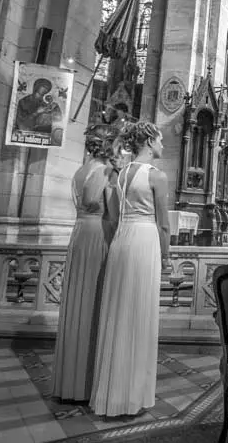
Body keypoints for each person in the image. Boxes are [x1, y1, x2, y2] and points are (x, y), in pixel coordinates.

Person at [89, 122, 170, 417]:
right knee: (139, 313)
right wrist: (167, 256)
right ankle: (134, 396)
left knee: (119, 312)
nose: (163, 144)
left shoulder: (119, 174)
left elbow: (109, 218)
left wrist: (115, 244)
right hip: (146, 241)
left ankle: (111, 394)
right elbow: (162, 223)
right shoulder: (156, 176)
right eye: (160, 139)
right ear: (149, 141)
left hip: (122, 241)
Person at [52, 125, 116, 403]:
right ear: (106, 146)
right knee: (92, 304)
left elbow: (83, 201)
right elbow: (96, 202)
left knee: (77, 303)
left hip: (79, 234)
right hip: (96, 235)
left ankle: (70, 381)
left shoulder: (80, 170)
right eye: (115, 145)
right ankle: (87, 383)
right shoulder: (102, 171)